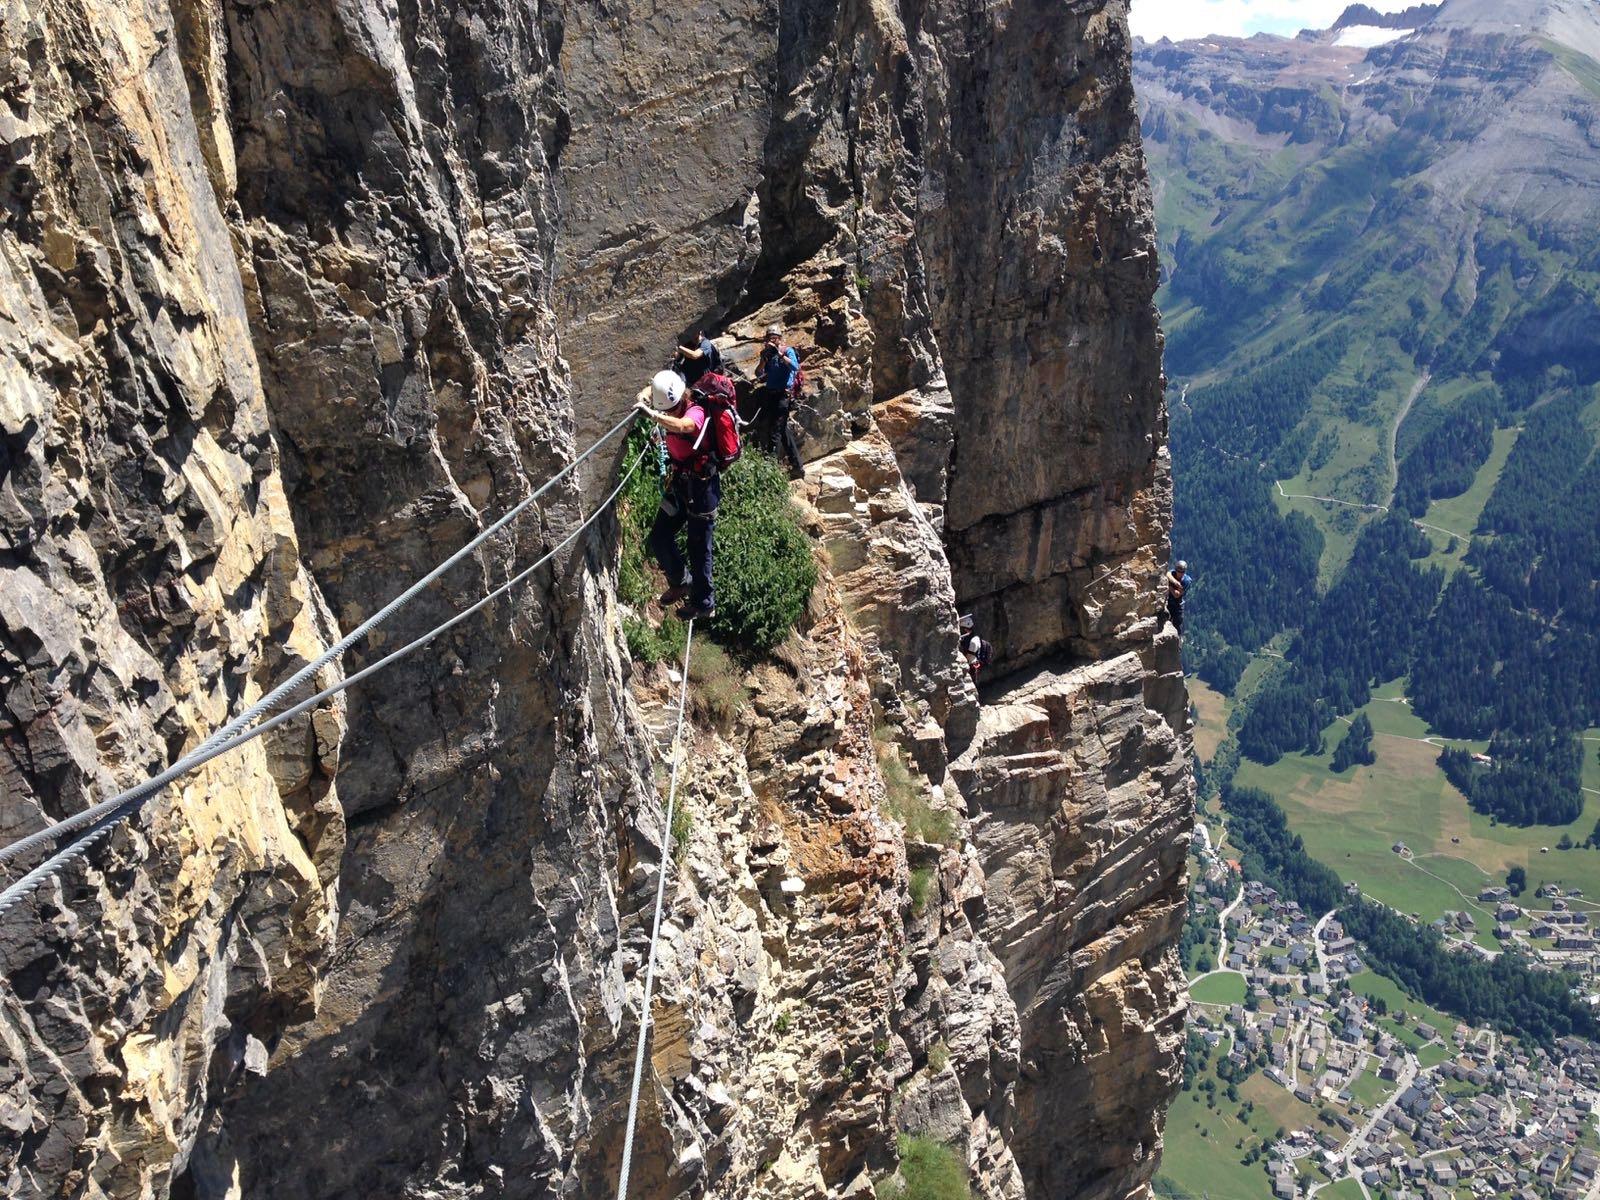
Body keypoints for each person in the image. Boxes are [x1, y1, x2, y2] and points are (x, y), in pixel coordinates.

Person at [635, 370, 719, 620]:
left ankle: (704, 603)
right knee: (659, 536)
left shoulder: (696, 411)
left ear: (681, 399)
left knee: (699, 549)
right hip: (681, 486)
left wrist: (654, 414)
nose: (670, 413)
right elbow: (654, 387)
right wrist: (644, 396)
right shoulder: (674, 398)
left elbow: (685, 425)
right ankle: (680, 580)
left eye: (672, 409)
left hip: (702, 491)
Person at [755, 323, 804, 474]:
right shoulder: (768, 355)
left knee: (775, 432)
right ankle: (797, 466)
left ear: (780, 339)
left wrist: (780, 354)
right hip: (771, 394)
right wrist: (764, 360)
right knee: (782, 431)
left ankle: (770, 470)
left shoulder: (787, 351)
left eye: (774, 338)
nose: (772, 340)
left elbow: (795, 367)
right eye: (769, 338)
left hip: (783, 396)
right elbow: (758, 373)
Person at [958, 615, 992, 681]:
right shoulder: (970, 637)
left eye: (961, 628)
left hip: (972, 666)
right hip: (971, 664)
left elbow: (968, 656)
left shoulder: (973, 641)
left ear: (965, 629)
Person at [1166, 560, 1193, 633]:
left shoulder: (1186, 581)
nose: (1180, 574)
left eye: (1182, 572)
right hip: (1168, 602)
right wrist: (1175, 582)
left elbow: (1176, 595)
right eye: (1178, 571)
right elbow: (1168, 573)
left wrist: (1169, 585)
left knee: (1176, 626)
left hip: (1178, 606)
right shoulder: (1173, 573)